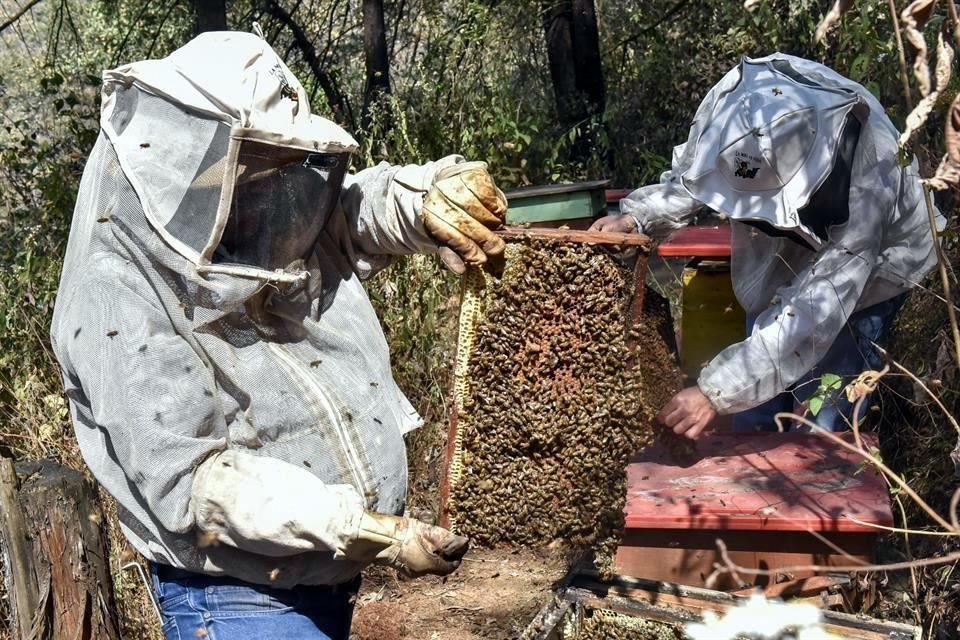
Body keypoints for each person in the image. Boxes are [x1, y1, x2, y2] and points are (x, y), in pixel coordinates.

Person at [50, 31, 507, 640]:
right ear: (196, 151)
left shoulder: (238, 192)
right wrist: (373, 533)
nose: (270, 187)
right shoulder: (117, 295)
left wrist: (420, 199)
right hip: (234, 598)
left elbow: (341, 214)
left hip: (317, 577)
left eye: (278, 167)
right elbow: (198, 485)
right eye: (260, 165)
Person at [591, 54, 943, 439]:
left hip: (876, 270)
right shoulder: (739, 99)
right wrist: (638, 217)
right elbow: (700, 175)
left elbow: (813, 313)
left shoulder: (869, 177)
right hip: (787, 260)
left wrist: (714, 392)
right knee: (752, 421)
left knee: (824, 430)